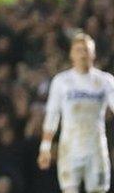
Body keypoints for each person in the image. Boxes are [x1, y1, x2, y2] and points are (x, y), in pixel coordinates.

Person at [38, 33, 114, 193]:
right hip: (70, 148)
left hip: (96, 148)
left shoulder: (105, 81)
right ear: (71, 54)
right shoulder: (61, 81)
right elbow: (52, 115)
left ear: (93, 54)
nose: (83, 54)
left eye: (86, 50)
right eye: (78, 50)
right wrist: (45, 147)